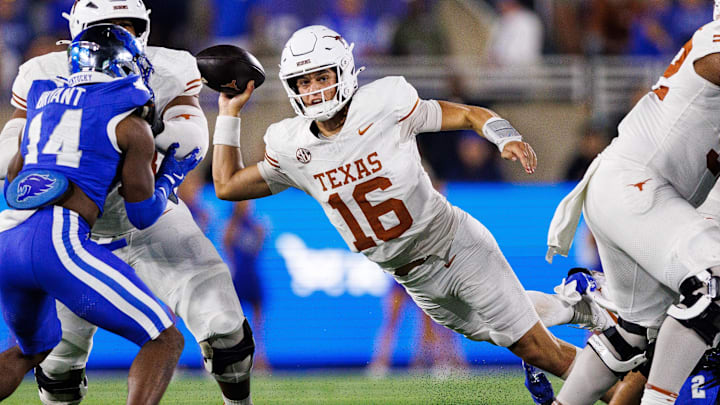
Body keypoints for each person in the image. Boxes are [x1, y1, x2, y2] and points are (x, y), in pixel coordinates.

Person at [213, 24, 594, 388]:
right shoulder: (291, 146)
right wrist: (229, 114)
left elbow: (465, 113)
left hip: (452, 245)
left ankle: (634, 389)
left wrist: (503, 136)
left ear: (343, 73)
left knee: (532, 345)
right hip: (412, 279)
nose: (313, 90)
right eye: (304, 82)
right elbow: (227, 185)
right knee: (504, 333)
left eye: (321, 77)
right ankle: (578, 302)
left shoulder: (385, 104)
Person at [0, 1, 255, 404]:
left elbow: (189, 130)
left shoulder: (167, 65)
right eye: (109, 26)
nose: (121, 33)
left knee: (224, 327)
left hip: (141, 228)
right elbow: (9, 148)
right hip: (83, 232)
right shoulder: (45, 72)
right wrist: (161, 163)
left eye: (129, 24)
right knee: (58, 366)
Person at [546, 6, 720, 403]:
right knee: (712, 284)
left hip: (628, 193)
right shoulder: (714, 39)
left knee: (632, 336)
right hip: (637, 188)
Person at [223, 200, 269, 371]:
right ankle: (235, 356)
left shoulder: (255, 225)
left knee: (258, 320)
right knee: (235, 319)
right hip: (238, 277)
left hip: (252, 274)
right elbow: (227, 246)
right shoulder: (232, 225)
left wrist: (260, 234)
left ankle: (260, 358)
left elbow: (258, 249)